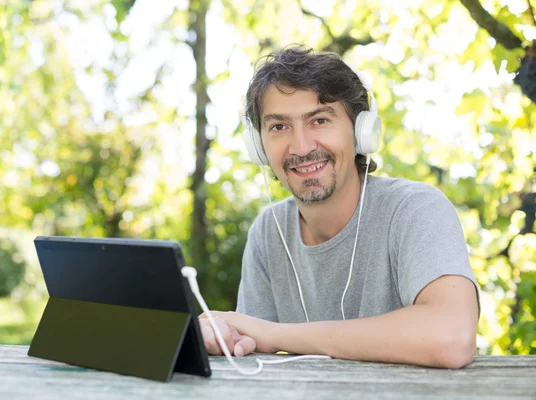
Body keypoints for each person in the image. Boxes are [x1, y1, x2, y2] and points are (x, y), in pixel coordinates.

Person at [198, 45, 480, 369]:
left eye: (319, 120)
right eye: (279, 126)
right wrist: (221, 335)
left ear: (362, 133)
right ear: (258, 146)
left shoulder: (415, 210)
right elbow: (249, 357)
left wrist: (276, 335)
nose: (301, 147)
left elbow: (452, 338)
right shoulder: (268, 231)